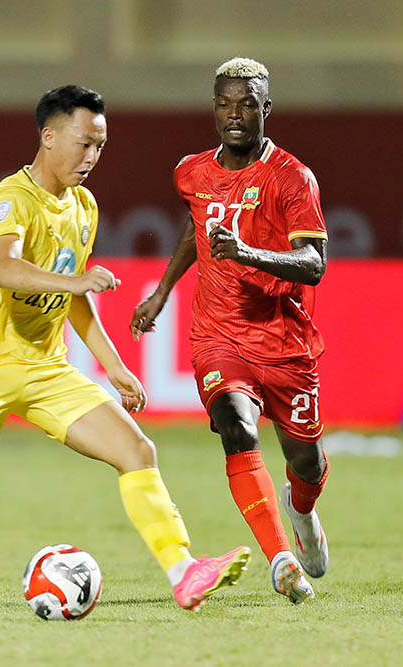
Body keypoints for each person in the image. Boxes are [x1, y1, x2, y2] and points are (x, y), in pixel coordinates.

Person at [0, 84, 250, 616]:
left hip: (45, 369)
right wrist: (76, 281)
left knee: (137, 451)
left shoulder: (83, 206)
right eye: (84, 143)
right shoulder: (10, 199)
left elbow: (73, 298)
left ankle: (183, 572)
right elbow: (3, 269)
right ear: (49, 137)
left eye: (100, 145)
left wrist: (115, 366)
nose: (92, 156)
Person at [130, 58, 329, 605]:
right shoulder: (191, 172)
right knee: (236, 426)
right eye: (224, 104)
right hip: (218, 335)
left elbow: (313, 264)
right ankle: (281, 559)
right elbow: (196, 226)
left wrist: (247, 253)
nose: (234, 114)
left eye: (247, 104)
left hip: (283, 340)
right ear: (213, 108)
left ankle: (302, 512)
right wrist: (162, 291)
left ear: (267, 109)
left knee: (306, 462)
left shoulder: (292, 178)